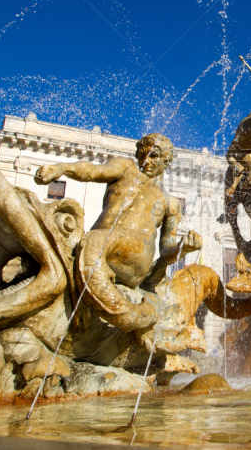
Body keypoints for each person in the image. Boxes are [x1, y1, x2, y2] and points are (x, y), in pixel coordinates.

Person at [34, 133, 202, 336]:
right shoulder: (125, 168)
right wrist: (62, 168)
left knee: (96, 239)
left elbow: (166, 250)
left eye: (154, 156)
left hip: (131, 261)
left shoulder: (171, 203)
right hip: (97, 246)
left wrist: (183, 248)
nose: (145, 161)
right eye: (142, 155)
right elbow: (93, 171)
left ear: (166, 160)